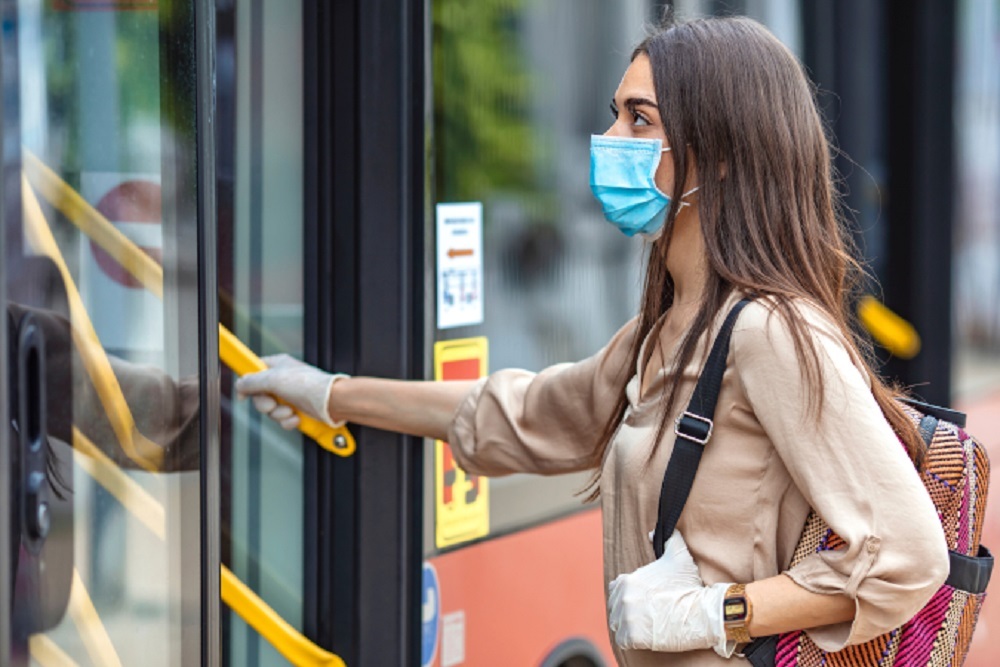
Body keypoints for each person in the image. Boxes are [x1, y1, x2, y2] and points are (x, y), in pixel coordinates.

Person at [235, 14, 949, 667]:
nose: (610, 142)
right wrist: (329, 394)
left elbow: (909, 554)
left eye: (641, 120)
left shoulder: (770, 332)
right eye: (616, 115)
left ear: (724, 153)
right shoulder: (666, 331)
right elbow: (520, 413)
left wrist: (716, 612)